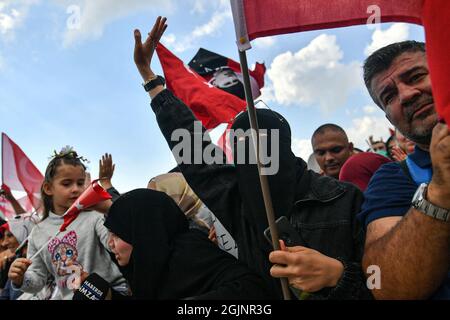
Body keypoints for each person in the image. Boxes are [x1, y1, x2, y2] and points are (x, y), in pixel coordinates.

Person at [132, 17, 372, 299]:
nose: (259, 161)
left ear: (284, 148)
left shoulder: (345, 199)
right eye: (246, 150)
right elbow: (191, 148)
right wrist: (149, 76)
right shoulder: (239, 201)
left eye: (265, 149)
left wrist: (337, 275)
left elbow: (382, 281)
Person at [359, 40, 450, 299]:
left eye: (417, 76)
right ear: (389, 117)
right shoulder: (392, 179)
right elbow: (385, 285)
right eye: (389, 96)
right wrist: (441, 189)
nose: (407, 94)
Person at [104, 188, 274, 299]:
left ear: (144, 232)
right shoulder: (143, 270)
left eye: (118, 235)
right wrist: (107, 294)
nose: (110, 244)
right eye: (109, 234)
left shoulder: (189, 250)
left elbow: (252, 290)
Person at [8, 147, 128, 300]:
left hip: (108, 292)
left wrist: (109, 208)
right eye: (67, 184)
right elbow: (37, 281)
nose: (76, 189)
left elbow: (114, 245)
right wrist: (20, 279)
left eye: (80, 183)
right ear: (48, 188)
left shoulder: (94, 216)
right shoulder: (37, 232)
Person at [0, 214, 37, 300]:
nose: (4, 243)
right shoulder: (18, 259)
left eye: (10, 236)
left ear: (27, 232)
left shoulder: (42, 260)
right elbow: (5, 294)